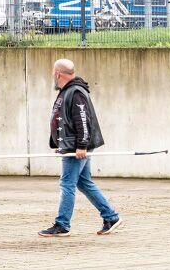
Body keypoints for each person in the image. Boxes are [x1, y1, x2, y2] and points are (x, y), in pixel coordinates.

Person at [39, 59, 122, 237]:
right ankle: (111, 217)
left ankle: (62, 225)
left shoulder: (76, 92)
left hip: (77, 148)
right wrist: (58, 143)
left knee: (67, 184)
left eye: (53, 72)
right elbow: (61, 119)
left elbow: (83, 120)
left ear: (57, 74)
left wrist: (81, 145)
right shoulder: (68, 91)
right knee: (84, 182)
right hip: (72, 146)